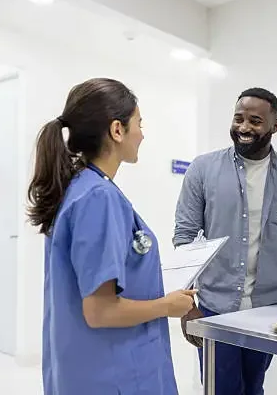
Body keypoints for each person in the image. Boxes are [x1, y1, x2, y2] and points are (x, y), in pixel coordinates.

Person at [27, 78, 196, 395]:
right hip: (113, 375)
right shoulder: (97, 198)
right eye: (139, 124)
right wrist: (167, 305)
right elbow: (100, 310)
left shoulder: (80, 188)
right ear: (117, 130)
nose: (142, 134)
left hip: (89, 369)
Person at [173, 87, 277, 394]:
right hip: (214, 307)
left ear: (274, 127)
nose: (244, 127)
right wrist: (189, 306)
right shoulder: (203, 169)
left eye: (255, 120)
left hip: (269, 309)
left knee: (253, 388)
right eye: (238, 118)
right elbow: (185, 239)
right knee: (222, 390)